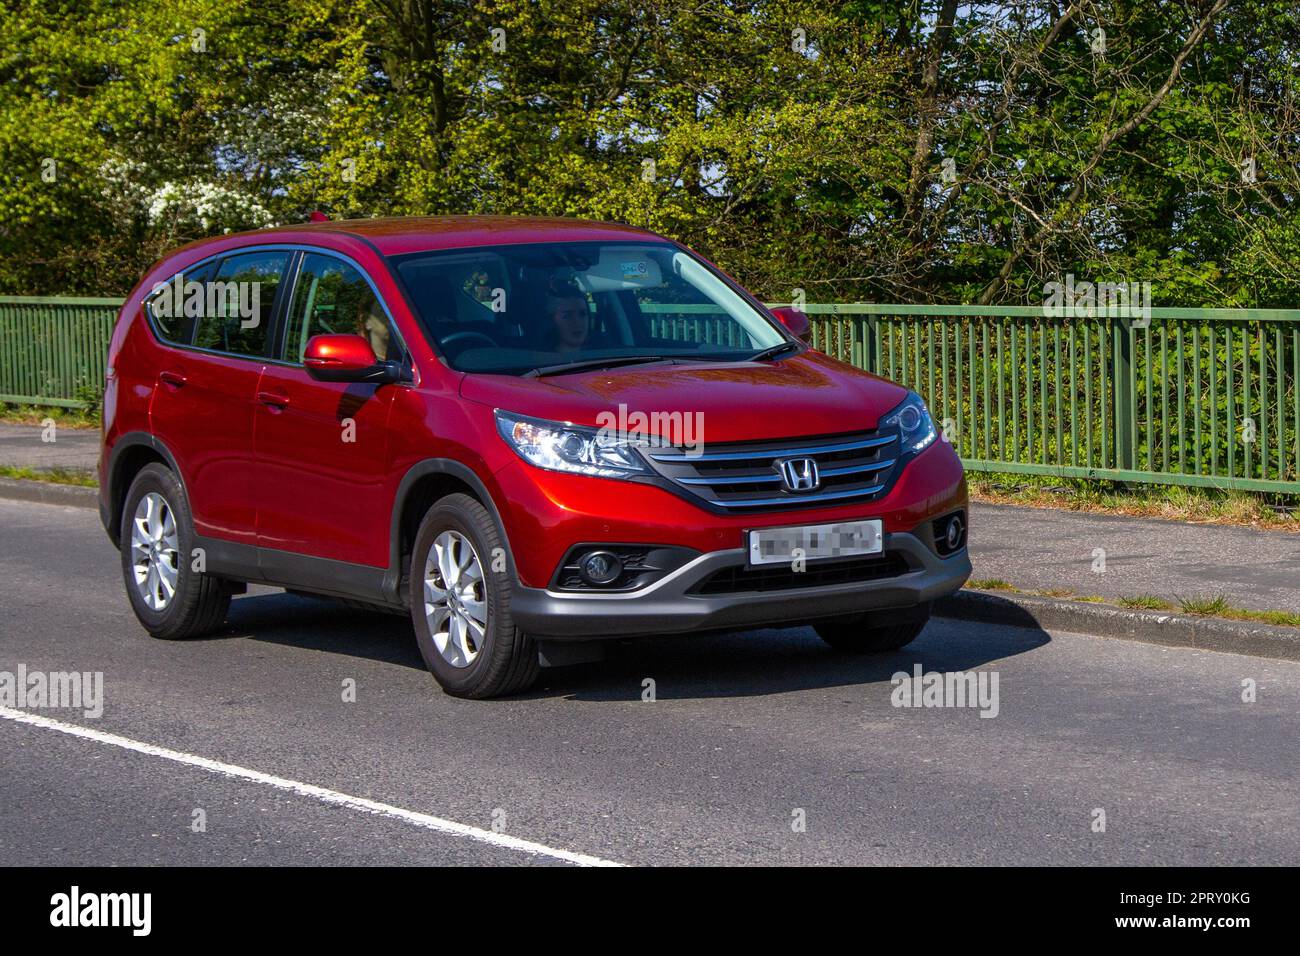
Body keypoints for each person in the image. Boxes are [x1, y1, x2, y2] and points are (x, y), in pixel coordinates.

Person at [545, 280, 590, 353]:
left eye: (583, 314)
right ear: (552, 320)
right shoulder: (541, 360)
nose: (577, 322)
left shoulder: (603, 353)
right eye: (567, 316)